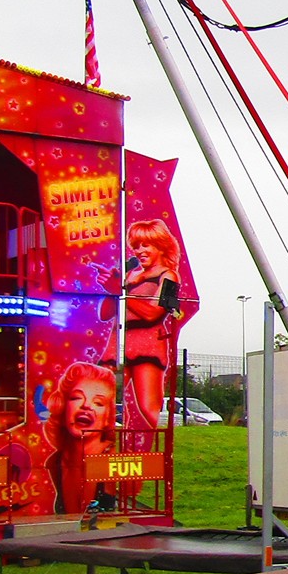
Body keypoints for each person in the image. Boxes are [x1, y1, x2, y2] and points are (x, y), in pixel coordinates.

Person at [121, 219, 183, 433]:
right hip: (121, 347)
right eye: (136, 246)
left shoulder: (170, 276)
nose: (139, 251)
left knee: (147, 408)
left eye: (145, 245)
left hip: (148, 349)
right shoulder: (131, 275)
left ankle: (148, 448)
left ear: (160, 246)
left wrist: (123, 295)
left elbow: (154, 313)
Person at [43, 361, 117, 514]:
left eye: (98, 402)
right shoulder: (54, 462)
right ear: (62, 406)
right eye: (77, 398)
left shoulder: (110, 458)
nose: (86, 406)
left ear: (108, 416)